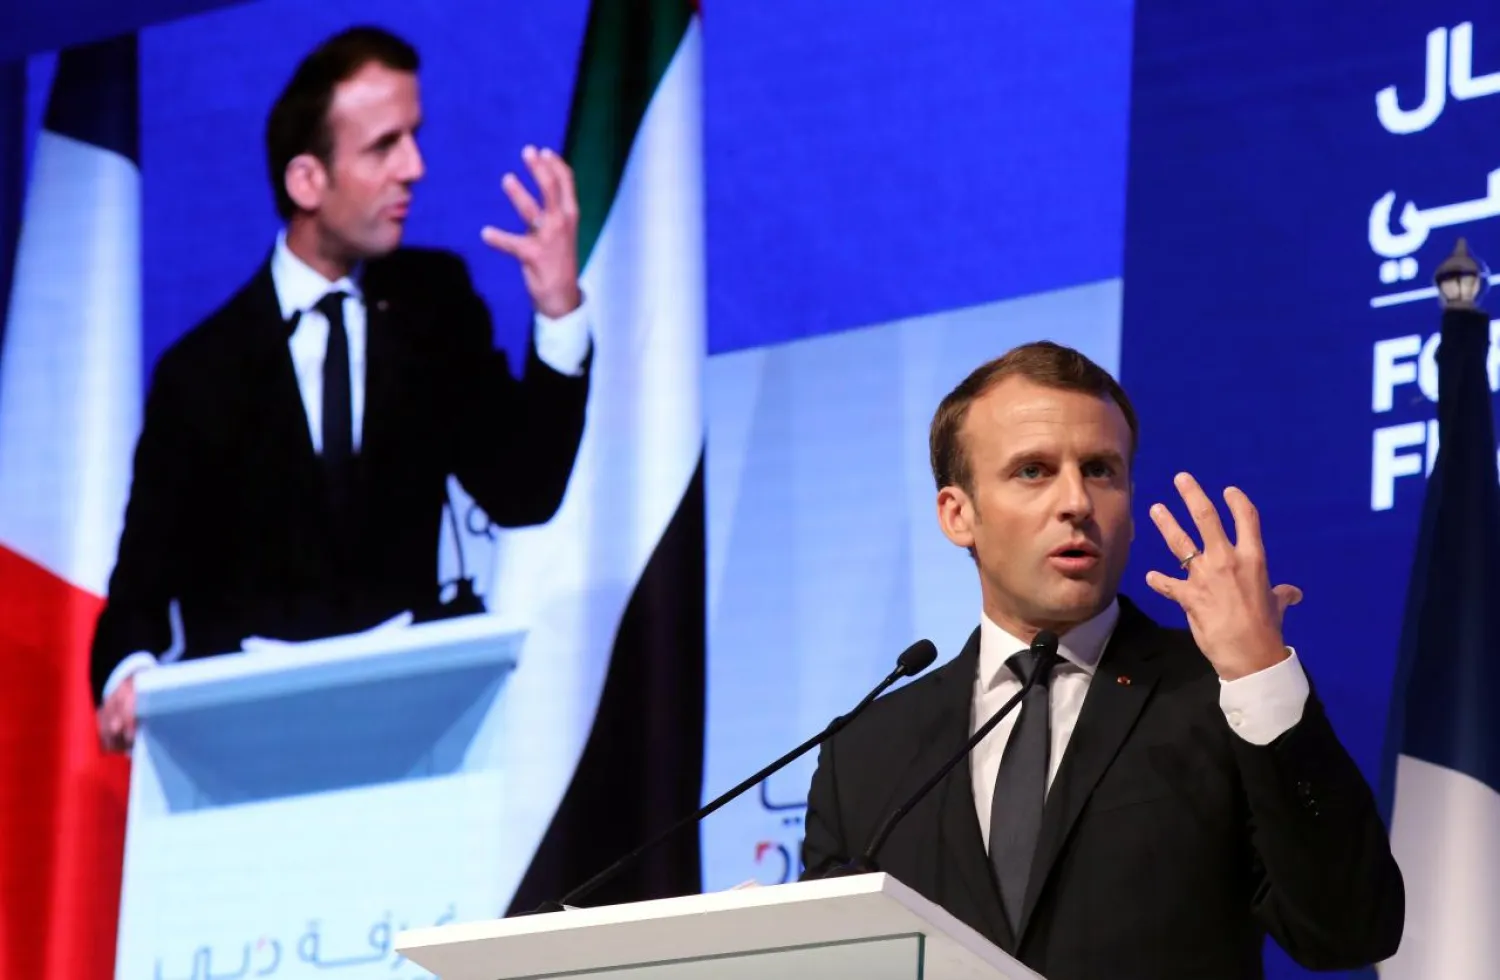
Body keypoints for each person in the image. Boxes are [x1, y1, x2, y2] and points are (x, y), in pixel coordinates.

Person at [801, 342, 1404, 978]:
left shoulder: (1222, 697)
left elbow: (1349, 929)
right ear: (958, 514)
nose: (1078, 503)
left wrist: (1260, 674)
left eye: (1100, 470)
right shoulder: (866, 753)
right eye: (1033, 471)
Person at [91, 25, 593, 752]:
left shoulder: (434, 306)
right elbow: (137, 595)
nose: (415, 167)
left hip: (419, 729)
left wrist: (559, 317)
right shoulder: (199, 370)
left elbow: (524, 491)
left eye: (414, 138)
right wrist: (129, 677)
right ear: (306, 181)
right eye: (384, 146)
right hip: (245, 747)